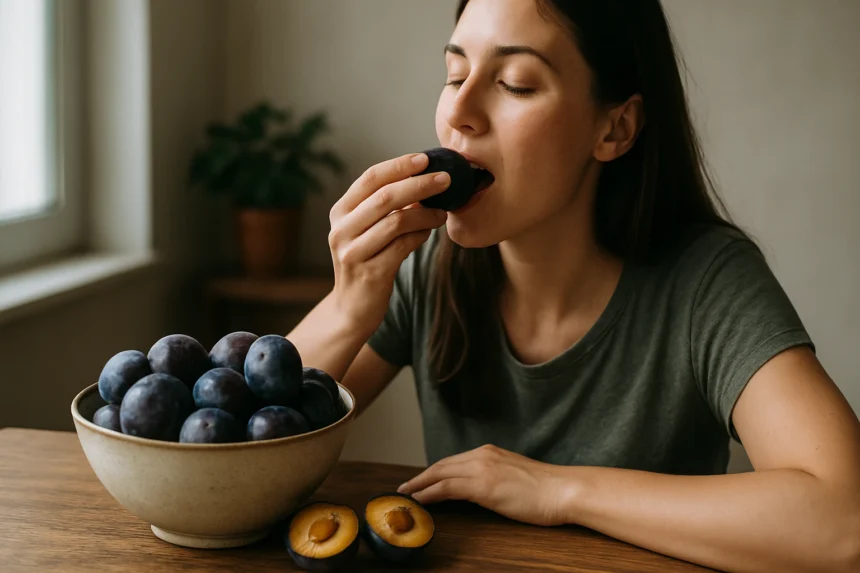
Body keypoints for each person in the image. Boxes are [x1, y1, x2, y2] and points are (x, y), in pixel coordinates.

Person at [287, 0, 860, 571]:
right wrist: (346, 310)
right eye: (455, 74)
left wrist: (555, 490)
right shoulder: (427, 265)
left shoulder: (707, 282)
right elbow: (220, 455)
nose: (459, 110)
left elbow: (844, 520)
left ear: (615, 128)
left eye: (515, 84)